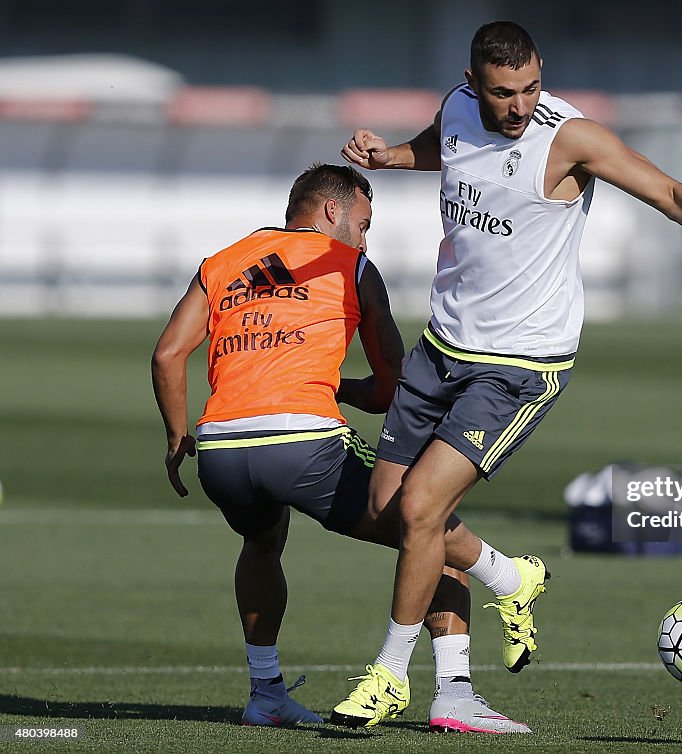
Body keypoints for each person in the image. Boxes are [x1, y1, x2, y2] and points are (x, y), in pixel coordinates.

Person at [332, 21, 682, 727]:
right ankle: (505, 587)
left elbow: (663, 190)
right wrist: (389, 156)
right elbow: (441, 146)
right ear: (474, 83)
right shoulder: (457, 108)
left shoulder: (571, 138)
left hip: (518, 365)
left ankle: (389, 675)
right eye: (504, 92)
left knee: (420, 511)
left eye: (531, 87)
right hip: (443, 348)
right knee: (394, 512)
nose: (519, 105)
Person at [151, 163, 532, 734]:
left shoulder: (221, 262)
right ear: (333, 210)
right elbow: (392, 387)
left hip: (223, 451)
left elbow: (167, 355)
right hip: (301, 444)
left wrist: (179, 435)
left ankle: (266, 694)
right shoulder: (353, 268)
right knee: (425, 525)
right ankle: (473, 653)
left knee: (261, 541)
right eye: (364, 221)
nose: (364, 235)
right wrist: (339, 389)